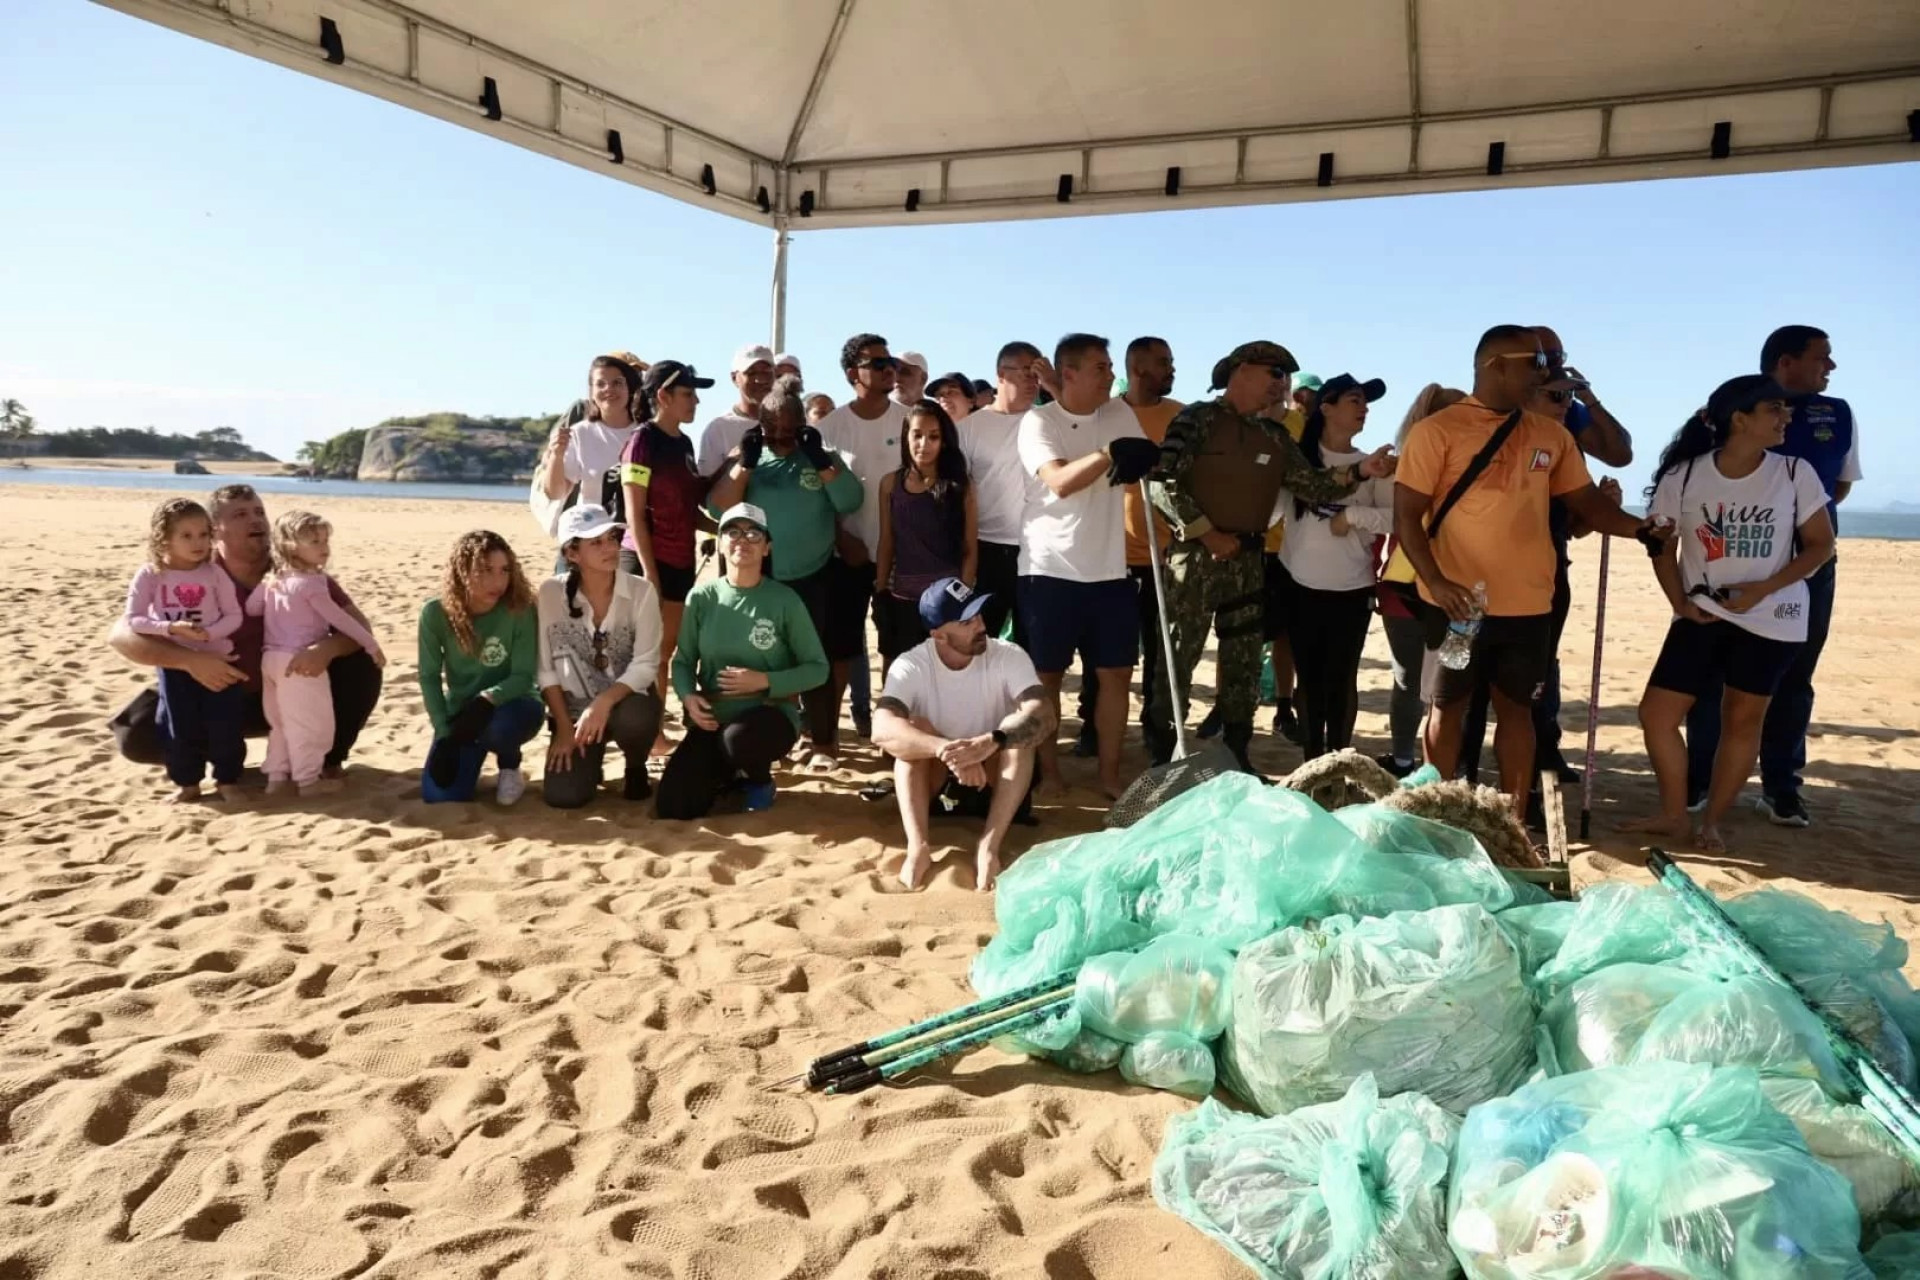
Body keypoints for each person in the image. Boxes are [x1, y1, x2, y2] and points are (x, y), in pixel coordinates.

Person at [1394, 325, 1660, 816]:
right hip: (1459, 607)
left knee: (1519, 710)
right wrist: (1436, 582)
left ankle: (1513, 822)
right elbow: (1406, 516)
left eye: (1548, 363)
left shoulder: (1550, 434)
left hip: (1531, 605)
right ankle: (1435, 812)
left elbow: (1587, 505)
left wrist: (1639, 529)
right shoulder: (1437, 432)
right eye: (1534, 363)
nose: (1545, 373)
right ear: (1494, 365)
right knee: (1447, 706)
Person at [1148, 342, 1390, 772]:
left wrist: (1358, 472)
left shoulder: (1275, 437)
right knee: (1179, 656)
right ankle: (1164, 750)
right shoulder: (1197, 420)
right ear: (1241, 371)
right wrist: (1207, 533)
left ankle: (1238, 751)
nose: (1281, 384)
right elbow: (1162, 483)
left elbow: (1312, 485)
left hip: (1248, 561)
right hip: (1195, 560)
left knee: (1242, 662)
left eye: (1284, 376)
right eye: (1273, 373)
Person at [1627, 376, 1834, 852]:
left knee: (1742, 722)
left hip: (1774, 616)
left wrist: (1762, 588)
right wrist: (1679, 603)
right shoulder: (1684, 475)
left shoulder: (1793, 471)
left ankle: (1711, 823)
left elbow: (1821, 546)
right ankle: (1675, 815)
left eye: (1785, 409)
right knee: (1657, 714)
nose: (1786, 418)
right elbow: (1661, 544)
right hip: (1702, 613)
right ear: (1740, 418)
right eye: (1774, 410)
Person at [1685, 325, 1860, 828]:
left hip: (1809, 563)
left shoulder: (1840, 414)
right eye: (1821, 357)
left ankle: (1782, 788)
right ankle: (1701, 781)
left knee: (1794, 676)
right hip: (1732, 561)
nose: (1831, 366)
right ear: (1785, 363)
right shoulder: (1732, 405)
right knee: (1715, 674)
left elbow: (1839, 489)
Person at [109, 484, 383, 780]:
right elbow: (121, 636)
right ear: (215, 530)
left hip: (289, 691)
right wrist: (189, 661)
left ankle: (326, 760)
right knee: (135, 736)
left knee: (363, 663)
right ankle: (207, 759)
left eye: (259, 513)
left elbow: (360, 627)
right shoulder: (191, 571)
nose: (255, 521)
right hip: (210, 692)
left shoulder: (298, 572)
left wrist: (325, 649)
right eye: (240, 514)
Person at [1461, 326, 1636, 788]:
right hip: (1475, 571)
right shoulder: (1491, 411)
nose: (1552, 363)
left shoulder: (1564, 414)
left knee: (1536, 674)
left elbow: (1619, 453)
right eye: (1542, 357)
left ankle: (1539, 764)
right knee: (1467, 681)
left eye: (1557, 355)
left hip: (1547, 564)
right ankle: (1465, 776)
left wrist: (1587, 400)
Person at [1016, 333, 1158, 798]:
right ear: (1069, 373)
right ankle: (1050, 773)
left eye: (1111, 366)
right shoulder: (1039, 421)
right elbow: (1058, 481)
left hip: (1110, 572)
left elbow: (1138, 462)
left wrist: (1134, 456)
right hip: (1048, 571)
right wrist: (1107, 453)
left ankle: (1110, 775)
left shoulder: (1117, 412)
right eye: (1101, 367)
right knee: (1047, 678)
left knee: (1117, 675)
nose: (1111, 374)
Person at [706, 376, 863, 764]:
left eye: (790, 430)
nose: (781, 438)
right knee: (762, 658)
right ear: (759, 427)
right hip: (764, 579)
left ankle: (824, 742)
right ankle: (769, 739)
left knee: (816, 660)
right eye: (771, 431)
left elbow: (849, 500)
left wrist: (821, 461)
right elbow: (717, 507)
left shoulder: (819, 457)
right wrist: (744, 462)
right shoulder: (750, 460)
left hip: (814, 574)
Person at [873, 578, 1053, 892]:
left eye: (979, 615)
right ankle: (919, 847)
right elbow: (882, 728)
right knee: (913, 729)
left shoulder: (1008, 655)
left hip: (998, 778)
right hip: (937, 777)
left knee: (1018, 728)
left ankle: (990, 846)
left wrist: (990, 742)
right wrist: (947, 751)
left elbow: (1044, 714)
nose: (980, 625)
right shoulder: (911, 664)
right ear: (938, 634)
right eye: (966, 621)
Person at [657, 503, 829, 818]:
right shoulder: (702, 597)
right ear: (720, 544)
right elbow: (682, 662)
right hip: (713, 716)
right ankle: (729, 776)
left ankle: (760, 782)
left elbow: (818, 669)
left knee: (738, 742)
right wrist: (688, 696)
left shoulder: (784, 600)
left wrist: (766, 681)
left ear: (767, 548)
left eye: (753, 533)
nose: (743, 540)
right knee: (673, 805)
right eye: (732, 532)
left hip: (768, 715)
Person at [1277, 374, 1398, 759]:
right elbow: (1269, 512)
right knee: (1309, 679)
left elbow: (1395, 519)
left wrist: (1354, 516)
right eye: (1354, 400)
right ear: (1326, 407)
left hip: (1352, 588)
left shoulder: (1373, 464)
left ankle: (1339, 759)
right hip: (1299, 584)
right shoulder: (1298, 460)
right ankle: (1312, 762)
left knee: (1342, 678)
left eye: (1366, 403)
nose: (1363, 409)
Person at [815, 334, 912, 749]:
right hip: (845, 557)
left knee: (898, 651)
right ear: (853, 373)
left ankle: (892, 735)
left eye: (891, 362)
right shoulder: (827, 429)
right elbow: (816, 497)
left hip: (902, 557)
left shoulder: (910, 421)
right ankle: (828, 735)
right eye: (878, 363)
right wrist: (841, 537)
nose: (889, 368)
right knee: (840, 651)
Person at [536, 504, 665, 808]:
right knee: (564, 797)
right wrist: (565, 729)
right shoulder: (551, 593)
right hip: (573, 713)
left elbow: (646, 665)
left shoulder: (641, 591)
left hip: (624, 704)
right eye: (596, 542)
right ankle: (590, 762)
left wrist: (604, 702)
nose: (610, 547)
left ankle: (635, 765)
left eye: (611, 538)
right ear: (572, 554)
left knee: (638, 714)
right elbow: (544, 670)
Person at [249, 510, 385, 796]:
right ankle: (308, 781)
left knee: (280, 722)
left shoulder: (273, 581)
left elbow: (252, 608)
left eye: (325, 540)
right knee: (310, 722)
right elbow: (341, 620)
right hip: (299, 660)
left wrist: (270, 595)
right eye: (314, 541)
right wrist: (370, 645)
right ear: (290, 546)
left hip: (270, 659)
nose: (324, 547)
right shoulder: (311, 584)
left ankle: (276, 777)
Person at [122, 497, 247, 802]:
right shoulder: (151, 574)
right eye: (187, 536)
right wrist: (170, 629)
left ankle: (227, 781)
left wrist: (209, 634)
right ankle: (187, 784)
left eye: (204, 534)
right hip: (176, 666)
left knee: (226, 724)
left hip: (220, 658)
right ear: (164, 538)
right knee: (178, 725)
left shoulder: (215, 573)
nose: (198, 543)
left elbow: (234, 616)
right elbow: (134, 619)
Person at [618, 359, 715, 751]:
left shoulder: (684, 443)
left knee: (665, 652)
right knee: (647, 653)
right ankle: (647, 735)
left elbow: (690, 510)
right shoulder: (643, 440)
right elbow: (633, 514)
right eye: (688, 394)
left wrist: (725, 528)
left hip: (680, 561)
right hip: (646, 560)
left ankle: (652, 730)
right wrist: (649, 572)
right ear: (663, 397)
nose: (695, 402)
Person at [1094, 335, 1183, 756]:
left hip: (1161, 555)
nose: (1172, 368)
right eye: (1164, 362)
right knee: (1105, 649)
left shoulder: (1181, 416)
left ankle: (1156, 730)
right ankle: (1093, 730)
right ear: (1139, 368)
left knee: (1158, 651)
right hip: (1106, 556)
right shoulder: (1106, 413)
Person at [1375, 385, 1467, 777]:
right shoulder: (1410, 463)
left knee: (1439, 685)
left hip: (1439, 585)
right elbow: (1392, 521)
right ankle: (1407, 760)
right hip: (1415, 584)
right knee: (1422, 683)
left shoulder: (1414, 459)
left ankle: (1428, 763)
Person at [417, 531, 543, 804]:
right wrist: (443, 732)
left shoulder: (519, 609)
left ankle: (509, 766)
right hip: (462, 715)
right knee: (439, 795)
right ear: (462, 572)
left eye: (504, 570)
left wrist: (487, 699)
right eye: (486, 570)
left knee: (499, 728)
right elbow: (428, 677)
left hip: (514, 706)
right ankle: (469, 756)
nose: (498, 581)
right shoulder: (434, 614)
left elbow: (523, 676)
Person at [876, 401, 978, 672]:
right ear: (906, 436)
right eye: (917, 435)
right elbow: (887, 542)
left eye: (933, 436)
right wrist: (880, 591)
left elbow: (970, 548)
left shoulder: (960, 486)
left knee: (945, 677)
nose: (924, 443)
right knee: (898, 676)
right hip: (902, 600)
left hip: (945, 604)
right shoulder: (890, 484)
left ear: (944, 441)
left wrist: (962, 600)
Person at [964, 342, 1049, 643]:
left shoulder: (1049, 422)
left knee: (1032, 645)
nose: (1033, 381)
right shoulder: (970, 428)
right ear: (1001, 374)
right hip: (988, 551)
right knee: (979, 640)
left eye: (1037, 374)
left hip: (1038, 551)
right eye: (1026, 372)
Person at [536, 355, 643, 526]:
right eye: (601, 384)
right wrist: (557, 455)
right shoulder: (580, 433)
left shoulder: (646, 434)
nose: (609, 389)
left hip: (635, 538)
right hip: (592, 536)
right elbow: (555, 493)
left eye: (617, 383)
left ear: (630, 388)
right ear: (591, 392)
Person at [696, 345, 778, 477]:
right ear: (734, 378)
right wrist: (731, 463)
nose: (760, 380)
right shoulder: (719, 428)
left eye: (766, 372)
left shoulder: (791, 423)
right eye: (750, 373)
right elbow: (705, 487)